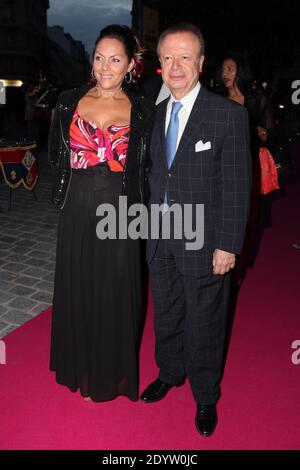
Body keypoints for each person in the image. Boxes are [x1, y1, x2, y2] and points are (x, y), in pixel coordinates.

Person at [140, 24, 251, 436]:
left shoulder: (229, 115)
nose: (175, 65)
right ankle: (169, 372)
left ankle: (206, 395)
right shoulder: (152, 111)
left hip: (205, 239)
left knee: (205, 318)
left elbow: (238, 186)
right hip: (159, 232)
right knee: (166, 309)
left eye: (185, 57)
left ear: (201, 64)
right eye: (168, 56)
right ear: (159, 64)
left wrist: (228, 244)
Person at [48, 25, 153, 402]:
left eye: (115, 60)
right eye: (98, 57)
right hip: (76, 205)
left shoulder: (143, 110)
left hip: (122, 210)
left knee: (115, 290)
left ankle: (109, 376)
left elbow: (150, 165)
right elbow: (56, 154)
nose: (105, 67)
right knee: (80, 285)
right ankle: (79, 366)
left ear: (129, 65)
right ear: (91, 60)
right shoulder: (67, 102)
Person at [220, 53, 276, 282]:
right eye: (223, 69)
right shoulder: (217, 100)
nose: (225, 74)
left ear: (240, 72)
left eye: (230, 69)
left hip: (250, 166)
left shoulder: (256, 100)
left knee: (247, 216)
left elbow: (272, 132)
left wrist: (263, 134)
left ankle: (239, 266)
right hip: (222, 168)